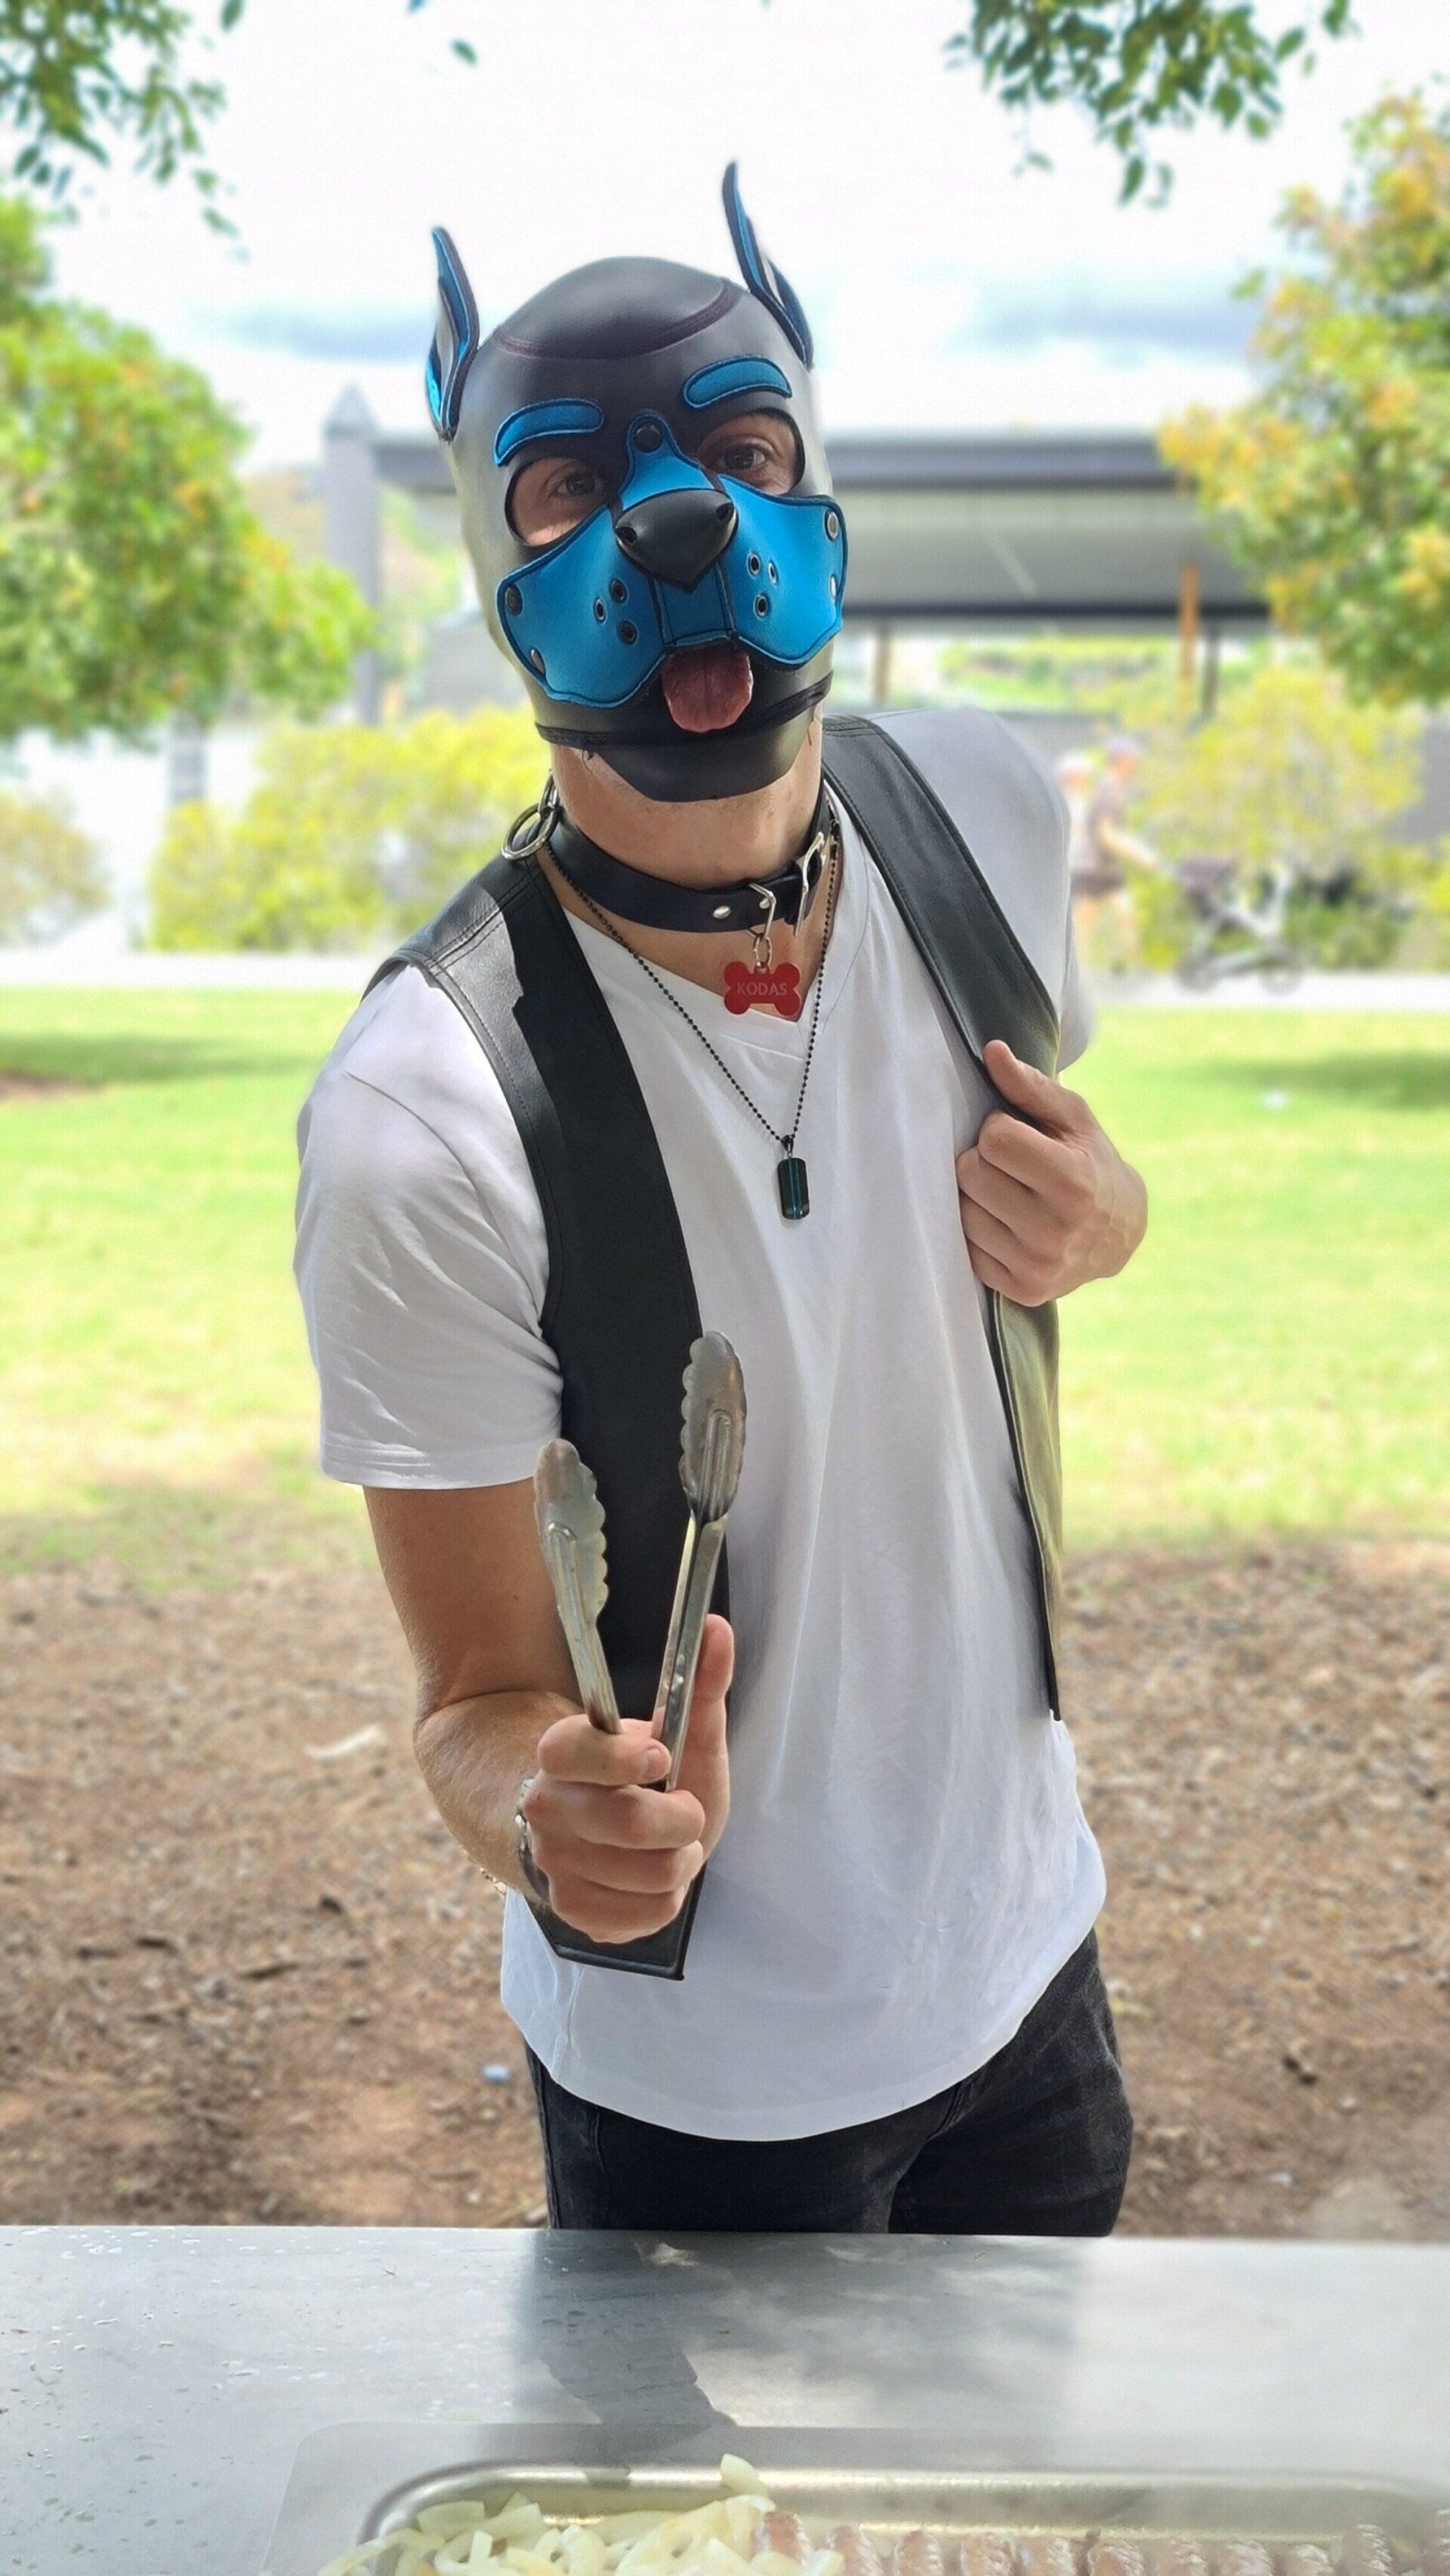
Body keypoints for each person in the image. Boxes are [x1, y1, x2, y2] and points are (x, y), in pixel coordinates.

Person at [295, 168, 1148, 2233]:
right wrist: (551, 1818)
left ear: (817, 477)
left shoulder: (985, 816)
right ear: (493, 566)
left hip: (1030, 1956)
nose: (679, 527)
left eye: (743, 450)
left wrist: (1108, 1217)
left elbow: (1060, 1184)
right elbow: (478, 1702)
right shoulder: (426, 1108)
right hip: (712, 2087)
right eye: (570, 487)